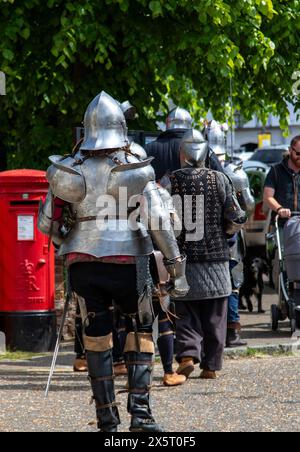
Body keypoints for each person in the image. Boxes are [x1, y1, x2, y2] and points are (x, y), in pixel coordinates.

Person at [38, 91, 189, 432]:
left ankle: (107, 420)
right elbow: (158, 222)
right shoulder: (134, 167)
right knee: (139, 332)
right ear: (120, 127)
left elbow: (47, 223)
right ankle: (141, 415)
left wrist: (71, 240)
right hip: (129, 261)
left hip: (84, 265)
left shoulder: (68, 169)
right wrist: (176, 265)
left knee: (96, 336)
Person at [161, 129, 246, 380]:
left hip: (183, 259)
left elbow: (163, 220)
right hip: (217, 260)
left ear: (182, 154)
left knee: (186, 314)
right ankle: (210, 366)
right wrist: (225, 232)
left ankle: (187, 355)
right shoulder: (220, 179)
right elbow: (236, 217)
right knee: (215, 317)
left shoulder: (170, 181)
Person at [146, 107, 223, 181]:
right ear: (189, 124)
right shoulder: (203, 149)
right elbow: (222, 180)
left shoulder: (148, 149)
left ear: (167, 122)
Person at [263, 136, 300, 224]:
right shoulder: (275, 171)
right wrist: (280, 209)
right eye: (298, 153)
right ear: (290, 150)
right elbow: (267, 197)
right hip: (282, 224)